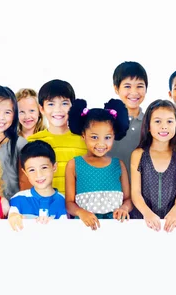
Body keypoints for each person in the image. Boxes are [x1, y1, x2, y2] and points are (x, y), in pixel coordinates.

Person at [65, 98, 133, 230]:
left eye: (107, 137)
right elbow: (69, 203)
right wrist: (81, 212)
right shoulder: (74, 164)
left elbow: (128, 199)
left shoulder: (118, 165)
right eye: (94, 137)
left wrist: (124, 208)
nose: (101, 144)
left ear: (114, 136)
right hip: (85, 227)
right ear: (83, 135)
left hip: (116, 227)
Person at [130, 100, 176, 232]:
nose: (164, 126)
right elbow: (135, 192)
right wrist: (147, 213)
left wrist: (175, 211)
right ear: (148, 126)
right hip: (142, 221)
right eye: (157, 121)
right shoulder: (138, 154)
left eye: (169, 121)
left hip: (172, 224)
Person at [26, 79, 86, 195]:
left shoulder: (84, 139)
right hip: (47, 209)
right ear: (41, 109)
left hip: (79, 207)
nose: (58, 110)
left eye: (64, 103)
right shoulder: (33, 142)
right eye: (51, 104)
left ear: (72, 107)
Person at [8, 140, 68, 231]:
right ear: (25, 172)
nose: (39, 175)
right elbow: (11, 219)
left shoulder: (64, 201)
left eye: (44, 167)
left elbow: (65, 230)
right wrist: (13, 216)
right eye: (32, 170)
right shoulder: (18, 199)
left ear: (54, 167)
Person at [110, 61, 149, 179]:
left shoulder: (151, 123)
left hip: (142, 193)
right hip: (111, 191)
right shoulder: (106, 122)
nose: (134, 92)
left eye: (140, 86)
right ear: (116, 89)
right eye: (127, 86)